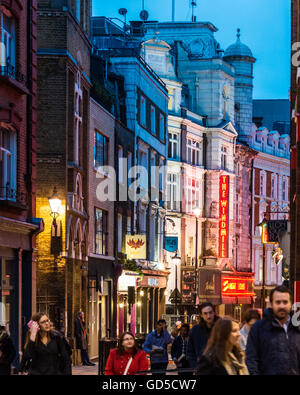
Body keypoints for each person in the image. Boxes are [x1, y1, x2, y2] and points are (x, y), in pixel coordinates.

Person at [246, 285, 300, 375]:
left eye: (285, 302)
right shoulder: (258, 329)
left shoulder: (297, 328)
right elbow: (252, 361)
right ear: (271, 304)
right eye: (278, 302)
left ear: (291, 304)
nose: (282, 306)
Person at [187, 302, 219, 370]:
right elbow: (190, 351)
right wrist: (195, 366)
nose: (208, 316)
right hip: (201, 368)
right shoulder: (195, 330)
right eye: (205, 313)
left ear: (214, 313)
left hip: (218, 368)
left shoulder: (221, 328)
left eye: (210, 312)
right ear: (201, 315)